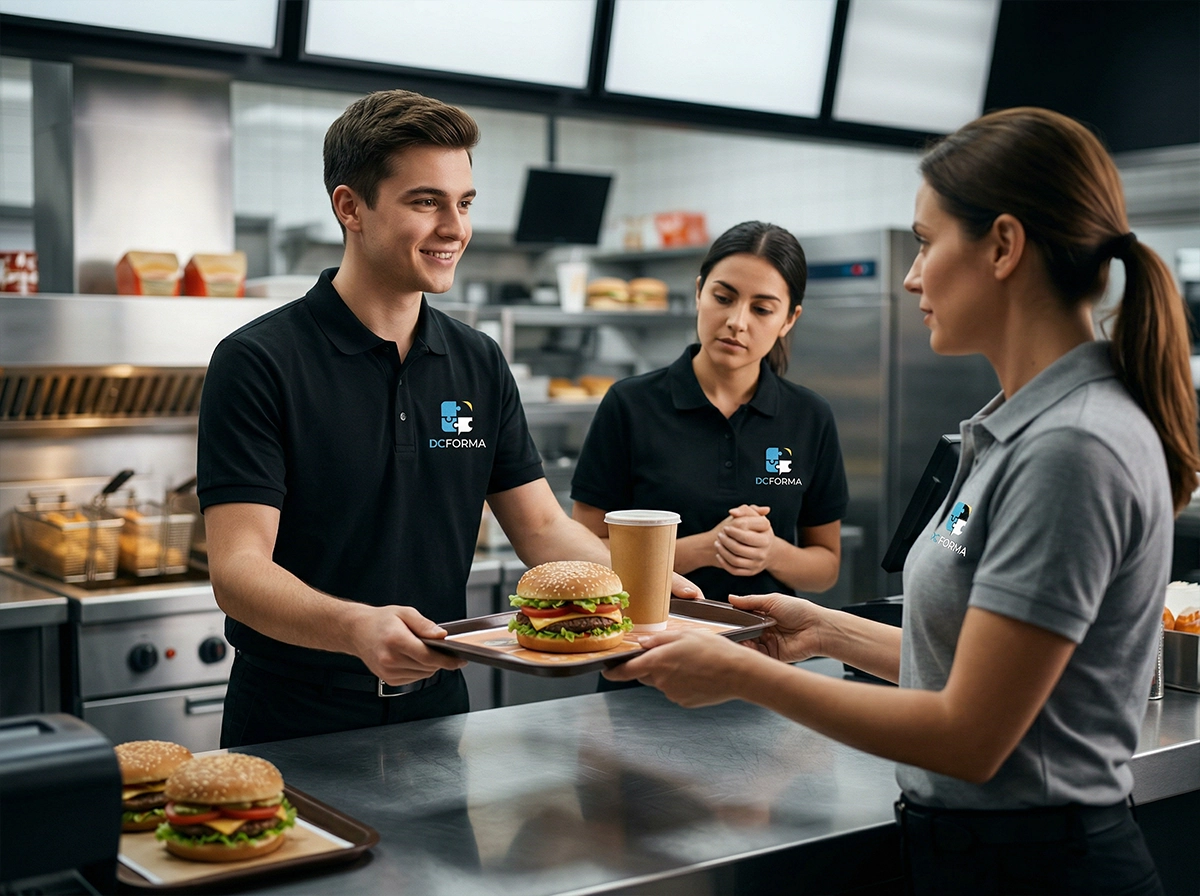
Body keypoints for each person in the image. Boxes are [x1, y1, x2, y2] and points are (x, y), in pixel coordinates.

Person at [605, 107, 1197, 895]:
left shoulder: (1073, 447)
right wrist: (825, 631)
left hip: (1039, 869)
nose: (912, 276)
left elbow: (969, 736)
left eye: (925, 241)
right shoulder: (1014, 430)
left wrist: (744, 675)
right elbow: (968, 668)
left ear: (1004, 246)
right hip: (987, 858)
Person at [196, 89, 697, 748]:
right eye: (425, 201)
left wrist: (639, 586)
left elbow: (542, 527)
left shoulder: (477, 361)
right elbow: (238, 570)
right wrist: (353, 627)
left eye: (464, 203)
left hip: (439, 709)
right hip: (294, 717)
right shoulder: (258, 361)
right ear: (350, 207)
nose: (454, 228)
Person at [571, 221, 849, 603]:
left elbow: (826, 566)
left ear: (789, 319)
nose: (737, 321)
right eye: (723, 297)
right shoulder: (630, 404)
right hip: (653, 636)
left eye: (762, 309)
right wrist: (706, 548)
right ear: (699, 292)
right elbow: (583, 551)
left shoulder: (810, 416)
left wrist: (772, 552)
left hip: (765, 638)